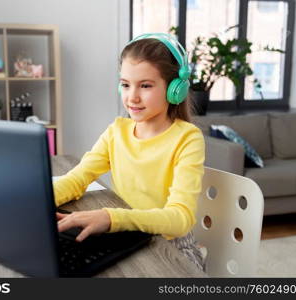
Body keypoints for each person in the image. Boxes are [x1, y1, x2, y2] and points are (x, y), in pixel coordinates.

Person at [54, 33, 205, 270]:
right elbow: (77, 178)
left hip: (170, 246)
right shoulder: (117, 132)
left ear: (175, 89)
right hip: (127, 233)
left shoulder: (188, 139)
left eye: (145, 85)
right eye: (125, 84)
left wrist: (110, 217)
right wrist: (34, 200)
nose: (132, 97)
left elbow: (180, 219)